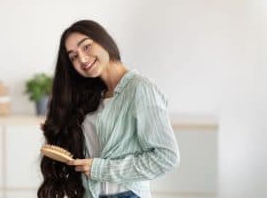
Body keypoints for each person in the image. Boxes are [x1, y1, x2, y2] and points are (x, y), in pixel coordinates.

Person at [38, 20, 180, 198]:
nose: (81, 58)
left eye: (86, 47)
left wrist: (101, 169)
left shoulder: (140, 89)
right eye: (73, 56)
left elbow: (166, 157)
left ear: (104, 41)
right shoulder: (93, 95)